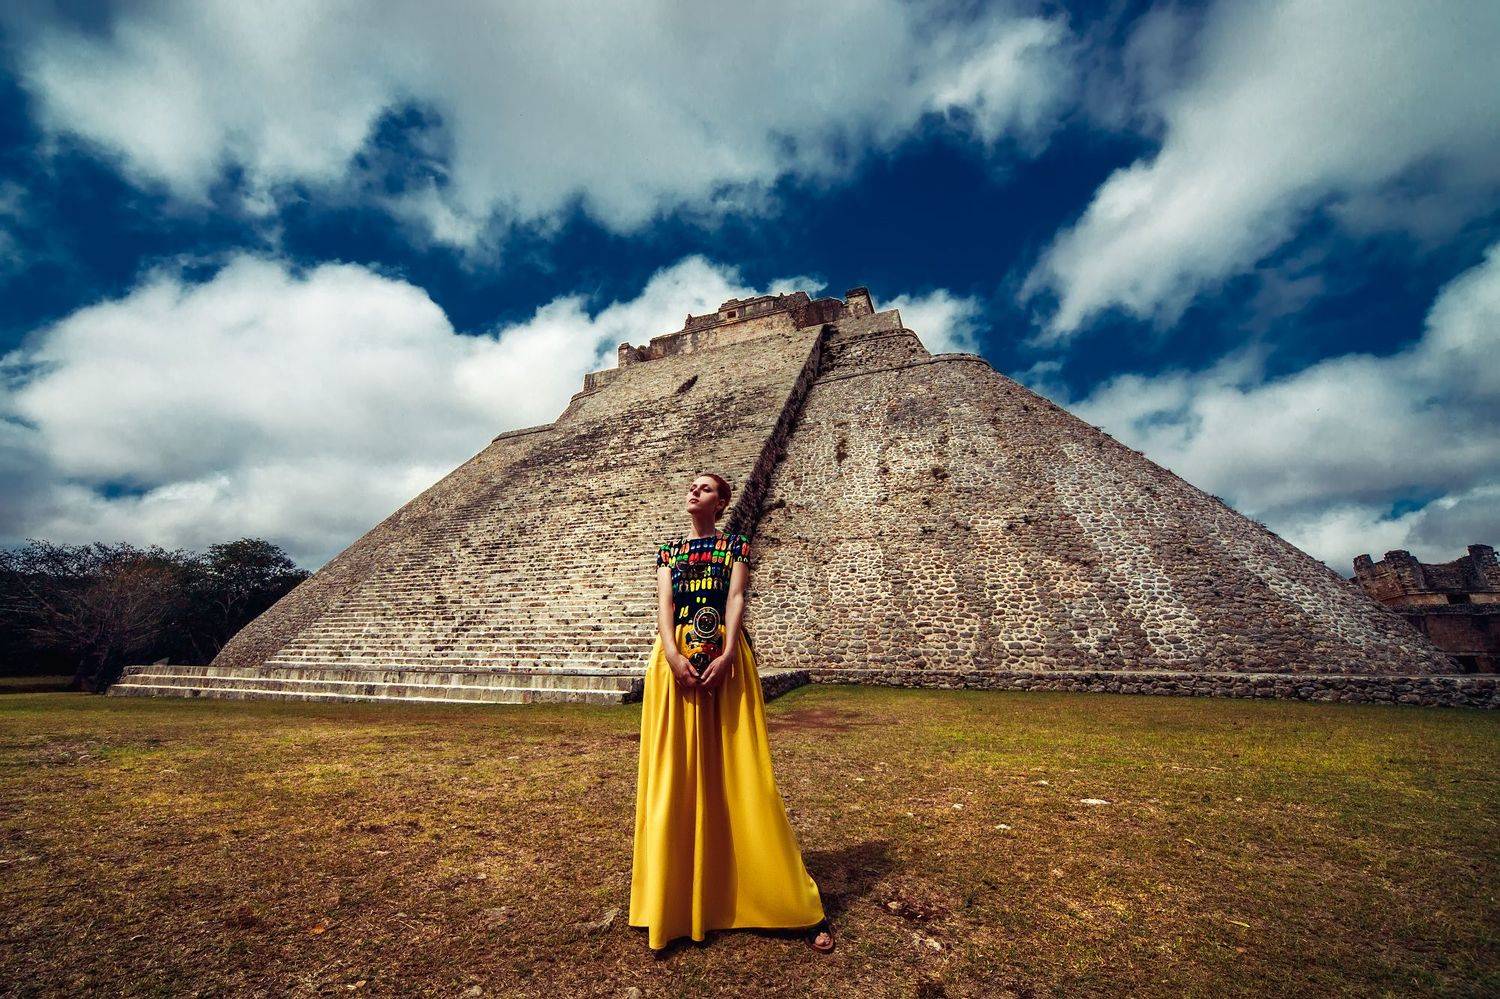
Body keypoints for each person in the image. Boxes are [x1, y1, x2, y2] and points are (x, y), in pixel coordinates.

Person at [628, 471, 835, 954]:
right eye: (692, 486)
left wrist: (726, 656)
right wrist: (672, 656)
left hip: (726, 658)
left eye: (705, 489)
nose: (694, 491)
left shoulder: (735, 548)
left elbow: (736, 598)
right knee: (673, 776)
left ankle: (787, 900)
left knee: (745, 774)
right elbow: (664, 606)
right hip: (674, 660)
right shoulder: (669, 552)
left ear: (721, 503)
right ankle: (673, 901)